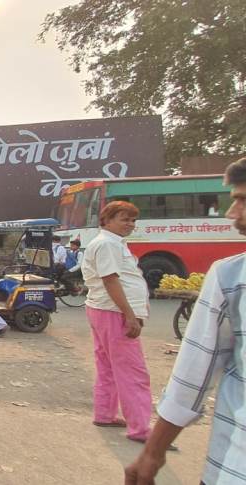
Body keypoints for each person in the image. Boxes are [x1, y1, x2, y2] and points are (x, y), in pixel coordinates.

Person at [125, 158, 246, 484]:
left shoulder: (232, 276)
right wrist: (153, 452)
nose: (231, 213)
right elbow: (193, 373)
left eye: (242, 200)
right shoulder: (231, 277)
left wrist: (153, 453)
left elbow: (196, 371)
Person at [81, 200, 153, 444]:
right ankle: (140, 428)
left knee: (108, 366)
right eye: (124, 219)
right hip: (113, 312)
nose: (130, 224)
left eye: (133, 220)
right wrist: (129, 315)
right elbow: (111, 280)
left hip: (103, 310)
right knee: (132, 371)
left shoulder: (109, 243)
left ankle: (105, 413)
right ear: (107, 220)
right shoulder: (108, 244)